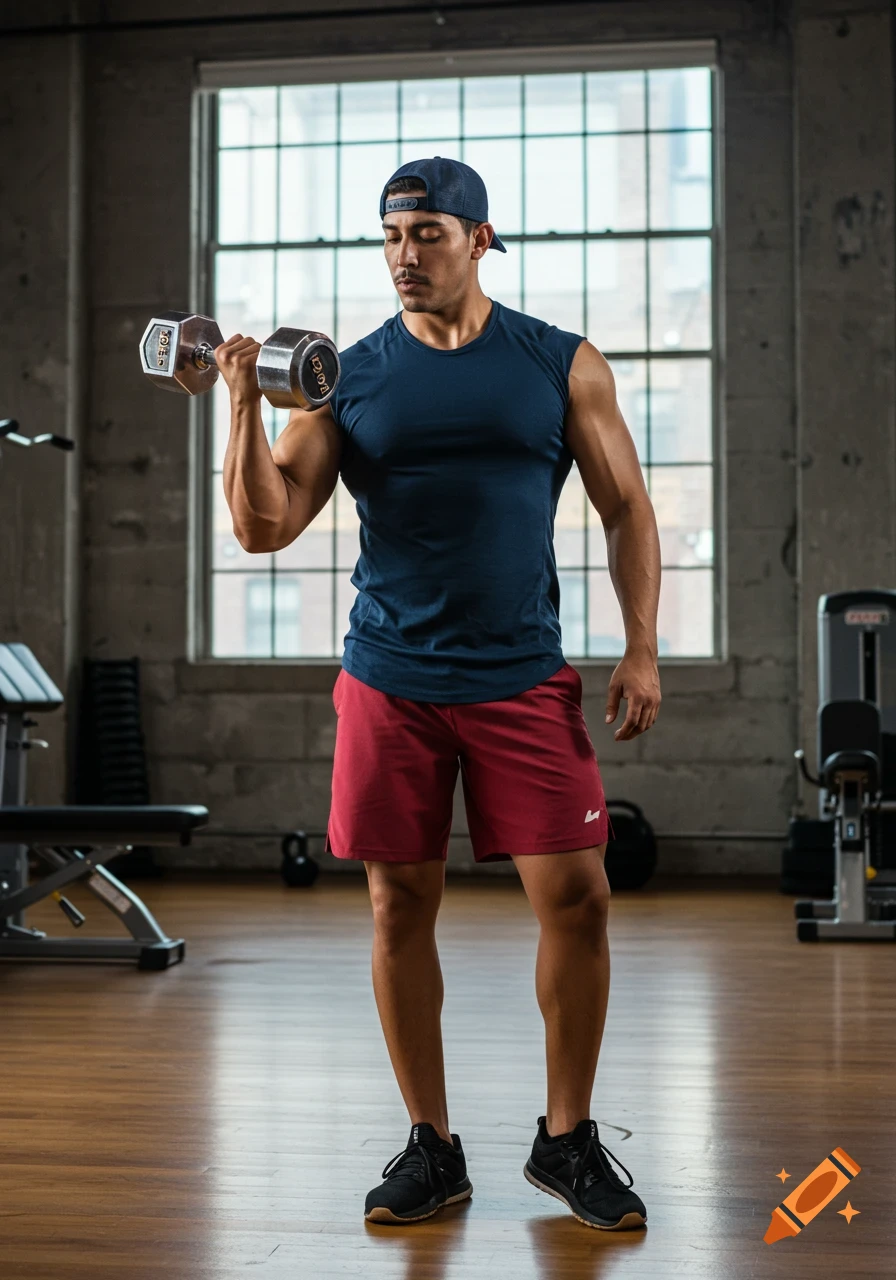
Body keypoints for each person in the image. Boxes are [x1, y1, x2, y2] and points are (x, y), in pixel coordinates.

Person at [218, 157, 662, 1231]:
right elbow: (264, 524)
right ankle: (431, 1144)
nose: (404, 256)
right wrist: (237, 407)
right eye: (390, 238)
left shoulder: (558, 363)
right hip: (392, 678)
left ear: (479, 239)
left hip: (520, 672)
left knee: (579, 897)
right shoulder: (346, 376)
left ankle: (565, 1139)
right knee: (395, 903)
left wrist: (640, 645)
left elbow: (626, 506)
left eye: (425, 234)